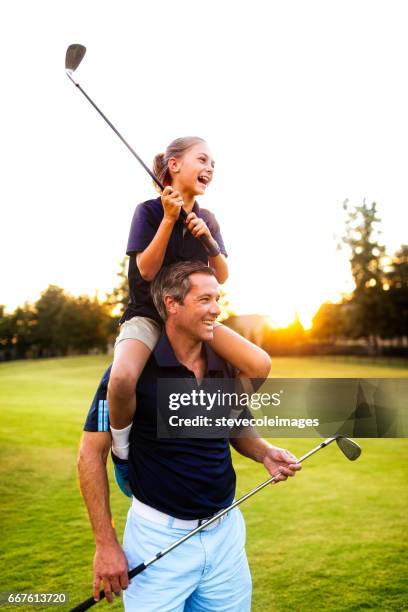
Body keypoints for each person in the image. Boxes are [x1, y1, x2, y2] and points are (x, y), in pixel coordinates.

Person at [78, 261, 301, 611]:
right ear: (172, 304)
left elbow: (232, 425)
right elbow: (90, 454)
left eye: (218, 298)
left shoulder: (223, 364)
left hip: (225, 537)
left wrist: (264, 451)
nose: (217, 309)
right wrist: (105, 544)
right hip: (157, 538)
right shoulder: (131, 371)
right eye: (205, 300)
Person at [108, 136, 271, 466]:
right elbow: (147, 270)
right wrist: (170, 220)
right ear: (174, 165)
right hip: (149, 315)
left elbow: (221, 275)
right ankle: (122, 449)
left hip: (192, 319)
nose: (209, 168)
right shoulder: (149, 212)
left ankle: (219, 420)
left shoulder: (207, 218)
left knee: (259, 364)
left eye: (213, 164)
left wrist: (208, 241)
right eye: (203, 159)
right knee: (123, 377)